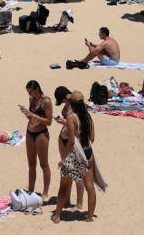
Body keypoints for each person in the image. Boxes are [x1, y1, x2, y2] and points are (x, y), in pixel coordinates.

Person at [52, 91, 98, 223]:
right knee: (90, 187)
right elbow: (92, 138)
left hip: (75, 155)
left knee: (64, 186)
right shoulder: (89, 117)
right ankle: (89, 218)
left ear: (71, 103)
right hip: (88, 153)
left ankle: (57, 216)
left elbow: (71, 141)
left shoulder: (71, 117)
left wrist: (64, 158)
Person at [20, 80, 53, 200]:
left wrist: (33, 115)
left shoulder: (46, 101)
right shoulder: (31, 100)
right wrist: (27, 113)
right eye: (28, 92)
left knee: (44, 164)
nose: (30, 95)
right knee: (31, 163)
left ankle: (45, 192)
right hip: (30, 132)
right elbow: (31, 117)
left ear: (37, 89)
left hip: (41, 134)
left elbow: (49, 122)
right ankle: (30, 189)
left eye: (31, 92)